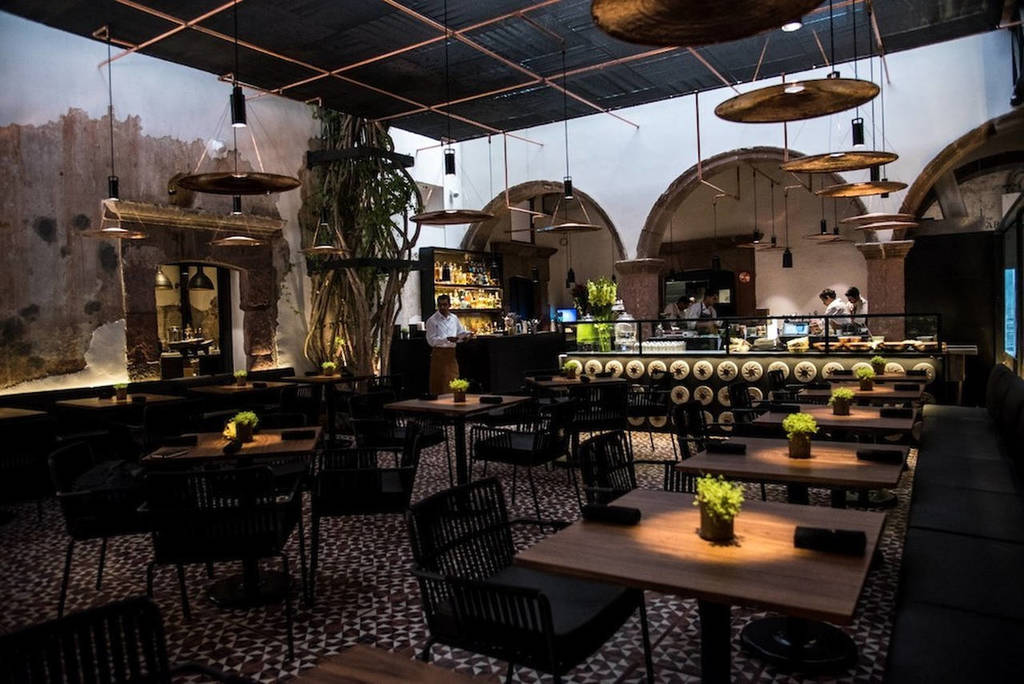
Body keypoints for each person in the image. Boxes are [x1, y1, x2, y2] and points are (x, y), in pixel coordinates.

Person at [425, 294, 472, 394]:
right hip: (439, 354)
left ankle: (454, 400)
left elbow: (460, 333)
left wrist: (465, 337)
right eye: (440, 305)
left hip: (451, 354)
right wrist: (446, 339)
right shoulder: (432, 320)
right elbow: (431, 341)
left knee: (453, 380)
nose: (442, 307)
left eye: (445, 305)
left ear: (449, 305)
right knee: (439, 382)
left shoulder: (454, 318)